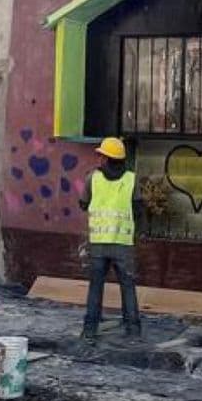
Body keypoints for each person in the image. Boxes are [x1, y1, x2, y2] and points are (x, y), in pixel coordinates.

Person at [77, 136, 142, 343]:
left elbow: (83, 204)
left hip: (98, 244)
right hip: (123, 244)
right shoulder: (132, 179)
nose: (99, 158)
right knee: (128, 287)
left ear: (106, 158)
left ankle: (90, 329)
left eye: (101, 155)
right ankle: (133, 331)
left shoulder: (92, 179)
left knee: (96, 286)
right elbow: (139, 209)